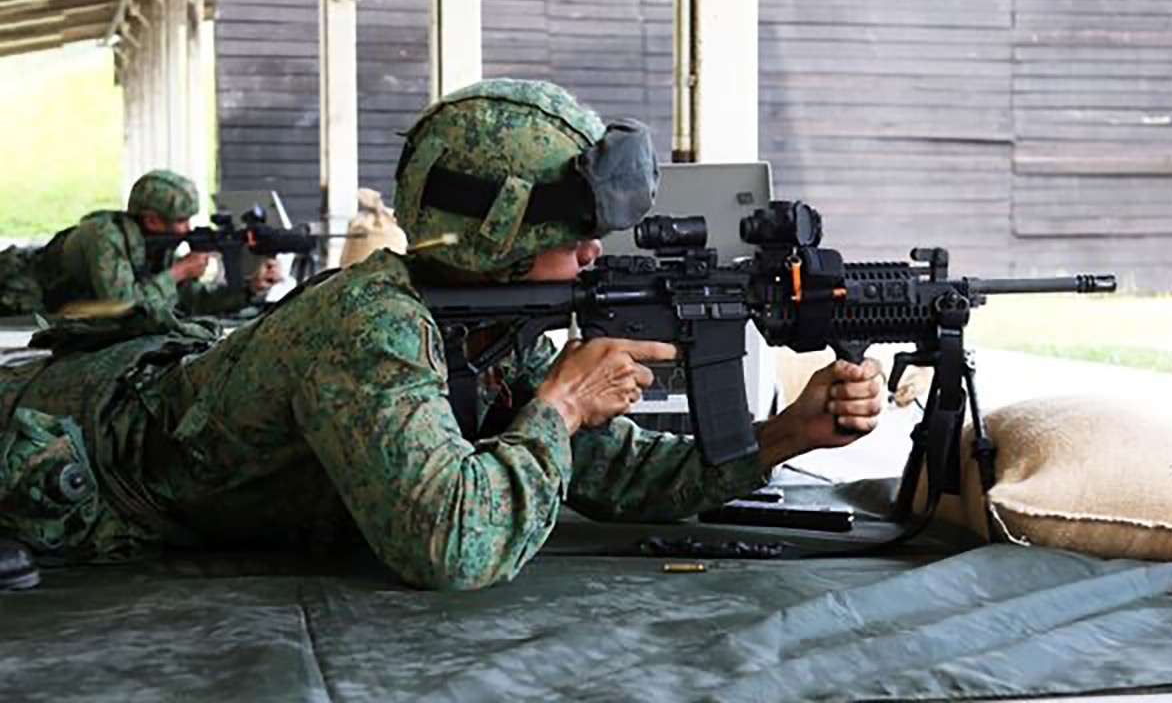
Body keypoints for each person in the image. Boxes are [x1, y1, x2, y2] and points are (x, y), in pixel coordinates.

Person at [0, 80, 884, 591]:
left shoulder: (494, 317)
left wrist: (785, 435)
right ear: (497, 236)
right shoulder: (370, 327)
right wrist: (559, 410)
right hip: (78, 446)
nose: (590, 250)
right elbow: (451, 543)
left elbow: (617, 473)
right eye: (569, 230)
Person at [0, 169, 281, 319]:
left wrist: (248, 290)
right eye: (181, 220)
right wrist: (179, 271)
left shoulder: (157, 242)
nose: (188, 228)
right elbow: (122, 305)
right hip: (19, 292)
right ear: (154, 221)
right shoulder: (104, 237)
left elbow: (188, 300)